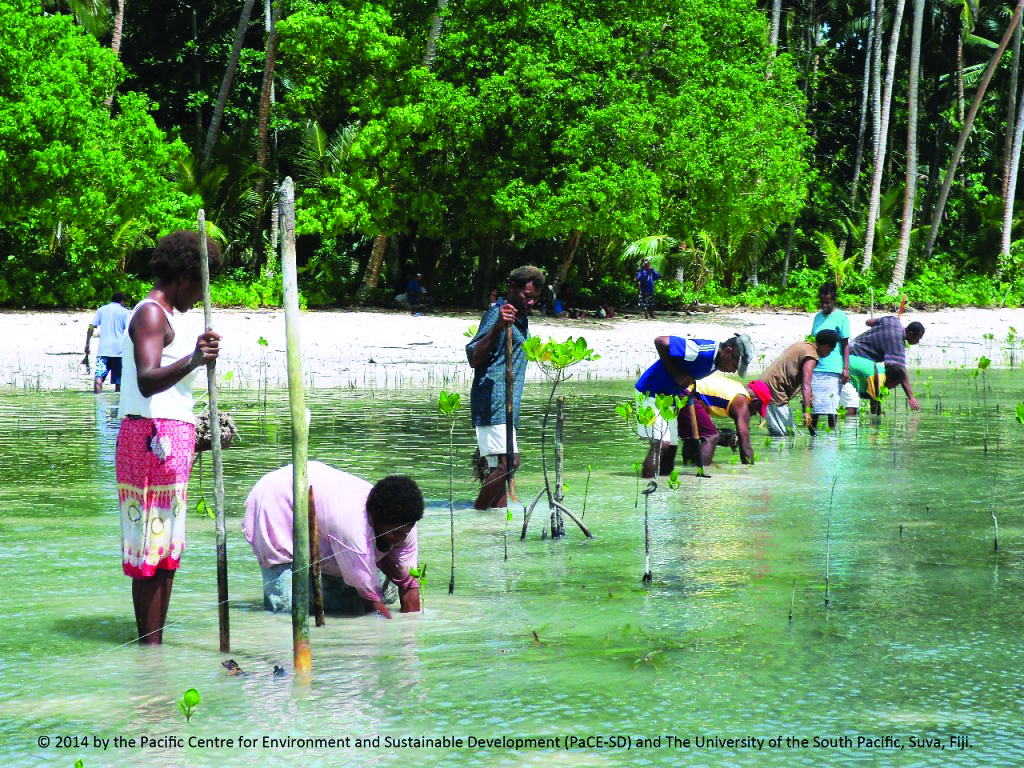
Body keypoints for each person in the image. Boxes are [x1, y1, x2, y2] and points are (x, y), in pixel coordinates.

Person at [116, 230, 222, 644]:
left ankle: (152, 652)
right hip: (150, 441)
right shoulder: (151, 314)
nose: (197, 297)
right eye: (198, 286)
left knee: (164, 552)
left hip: (166, 442)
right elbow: (146, 381)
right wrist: (194, 359)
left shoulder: (166, 316)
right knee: (149, 550)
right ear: (183, 277)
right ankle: (149, 645)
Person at [243, 463, 422, 618]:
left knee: (347, 606)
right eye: (395, 534)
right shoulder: (354, 529)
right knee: (288, 607)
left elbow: (409, 583)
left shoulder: (406, 525)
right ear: (376, 520)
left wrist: (409, 637)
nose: (400, 539)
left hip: (323, 502)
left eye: (405, 533)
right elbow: (372, 606)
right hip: (277, 498)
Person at [466, 265, 545, 509]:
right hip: (493, 399)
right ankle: (476, 513)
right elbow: (473, 356)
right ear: (512, 289)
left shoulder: (521, 318)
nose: (531, 302)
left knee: (501, 473)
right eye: (526, 296)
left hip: (508, 404)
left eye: (535, 298)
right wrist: (498, 325)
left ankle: (491, 529)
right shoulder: (497, 314)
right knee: (509, 462)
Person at [634, 333, 755, 477]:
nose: (734, 371)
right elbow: (661, 341)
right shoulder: (703, 351)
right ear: (728, 351)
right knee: (661, 444)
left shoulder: (717, 362)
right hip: (649, 392)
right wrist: (677, 374)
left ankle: (661, 494)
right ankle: (649, 494)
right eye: (735, 365)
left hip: (670, 398)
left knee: (671, 449)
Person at [650, 374, 770, 474]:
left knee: (692, 439)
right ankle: (700, 479)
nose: (755, 414)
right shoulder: (742, 400)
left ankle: (688, 477)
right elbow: (746, 446)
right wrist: (751, 475)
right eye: (758, 409)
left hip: (674, 388)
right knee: (711, 437)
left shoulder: (737, 387)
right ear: (755, 401)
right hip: (686, 392)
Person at [760, 330, 838, 436]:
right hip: (775, 388)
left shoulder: (804, 346)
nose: (829, 354)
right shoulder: (811, 356)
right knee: (788, 435)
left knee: (779, 432)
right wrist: (807, 412)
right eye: (831, 350)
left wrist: (809, 398)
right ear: (826, 346)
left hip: (765, 385)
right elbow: (806, 383)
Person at [849, 316, 924, 412]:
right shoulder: (897, 344)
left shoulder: (893, 320)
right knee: (868, 390)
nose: (917, 342)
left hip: (852, 346)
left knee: (871, 389)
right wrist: (911, 397)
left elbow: (868, 322)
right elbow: (900, 372)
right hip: (857, 355)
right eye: (918, 338)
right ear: (910, 334)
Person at [809, 282, 850, 430]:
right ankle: (812, 440)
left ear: (834, 300)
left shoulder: (841, 317)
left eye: (828, 302)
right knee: (814, 408)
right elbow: (813, 342)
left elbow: (846, 345)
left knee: (831, 409)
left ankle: (832, 439)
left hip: (833, 369)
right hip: (816, 368)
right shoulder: (817, 317)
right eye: (822, 302)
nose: (824, 305)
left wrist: (846, 369)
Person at [83, 291, 130, 393]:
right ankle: (117, 406)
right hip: (119, 351)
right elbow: (130, 330)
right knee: (119, 382)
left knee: (99, 377)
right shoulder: (125, 312)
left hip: (103, 350)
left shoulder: (101, 310)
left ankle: (97, 400)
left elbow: (91, 326)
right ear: (122, 301)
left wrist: (87, 343)